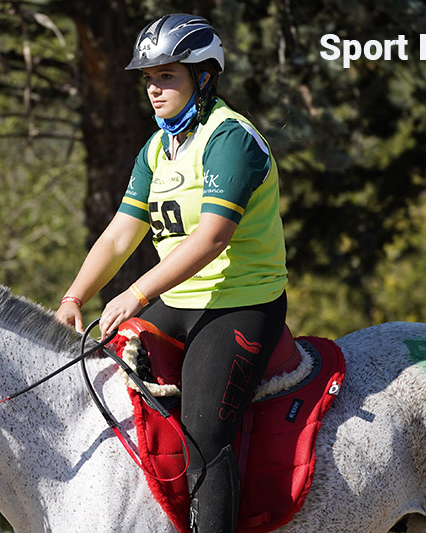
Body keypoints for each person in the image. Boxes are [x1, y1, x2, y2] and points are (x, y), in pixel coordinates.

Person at [56, 13, 287, 533]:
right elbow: (120, 235)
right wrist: (75, 296)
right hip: (178, 303)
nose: (154, 90)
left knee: (205, 430)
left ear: (204, 77)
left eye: (168, 77)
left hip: (240, 303)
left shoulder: (230, 139)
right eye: (148, 79)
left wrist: (134, 294)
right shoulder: (158, 148)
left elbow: (212, 238)